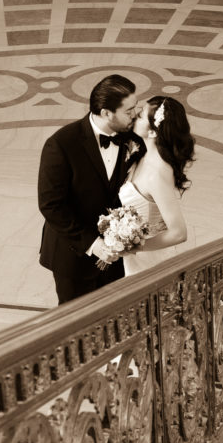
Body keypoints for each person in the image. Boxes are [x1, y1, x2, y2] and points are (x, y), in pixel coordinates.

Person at [37, 73, 142, 304]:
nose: (136, 114)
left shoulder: (132, 138)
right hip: (72, 257)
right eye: (129, 110)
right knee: (74, 327)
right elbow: (51, 205)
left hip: (117, 258)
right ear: (106, 112)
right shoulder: (61, 144)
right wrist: (94, 245)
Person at [105, 95, 195, 276]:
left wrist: (132, 247)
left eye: (140, 116)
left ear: (153, 132)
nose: (134, 116)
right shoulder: (144, 155)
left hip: (151, 264)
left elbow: (179, 233)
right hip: (136, 260)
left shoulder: (157, 174)